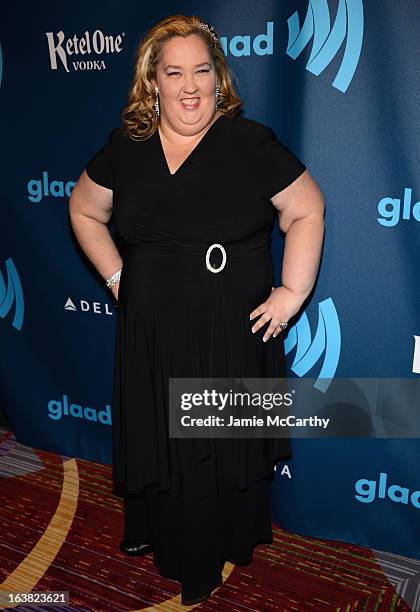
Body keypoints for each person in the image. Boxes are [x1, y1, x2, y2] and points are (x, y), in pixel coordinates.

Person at [69, 14, 325, 606]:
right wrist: (116, 276)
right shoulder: (126, 149)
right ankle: (164, 534)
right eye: (174, 72)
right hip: (153, 332)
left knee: (218, 443)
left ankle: (222, 542)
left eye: (202, 71)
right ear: (152, 82)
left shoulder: (250, 144)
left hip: (230, 332)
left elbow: (307, 210)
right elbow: (83, 210)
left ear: (219, 79)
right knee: (164, 437)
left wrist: (291, 293)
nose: (189, 86)